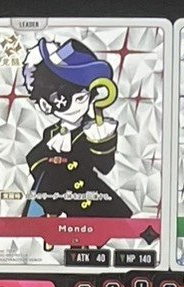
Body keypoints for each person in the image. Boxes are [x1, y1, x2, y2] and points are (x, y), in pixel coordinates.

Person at [21, 38, 131, 218]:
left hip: (92, 200)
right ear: (46, 104)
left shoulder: (93, 130)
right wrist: (52, 162)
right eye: (70, 98)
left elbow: (105, 166)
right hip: (55, 202)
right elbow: (34, 157)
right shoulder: (51, 134)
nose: (79, 105)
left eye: (83, 98)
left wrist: (102, 141)